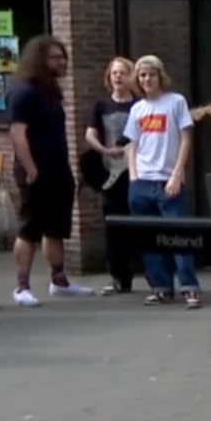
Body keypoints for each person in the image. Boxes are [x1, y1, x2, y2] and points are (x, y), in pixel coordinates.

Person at [8, 35, 92, 305]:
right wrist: (31, 169)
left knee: (55, 227)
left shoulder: (50, 91)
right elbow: (18, 134)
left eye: (62, 56)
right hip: (35, 170)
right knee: (29, 228)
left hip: (58, 168)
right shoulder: (24, 91)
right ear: (39, 60)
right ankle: (21, 287)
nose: (62, 61)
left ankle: (59, 281)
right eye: (55, 57)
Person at [122, 55, 202, 307]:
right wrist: (134, 177)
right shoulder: (137, 109)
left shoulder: (175, 102)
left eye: (151, 74)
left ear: (160, 76)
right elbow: (132, 145)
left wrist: (177, 174)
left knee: (178, 236)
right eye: (142, 75)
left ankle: (189, 286)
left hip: (168, 179)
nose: (147, 79)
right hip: (142, 181)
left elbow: (186, 138)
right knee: (149, 239)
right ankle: (160, 287)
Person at [81, 57, 140, 294]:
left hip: (135, 170)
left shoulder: (139, 106)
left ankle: (142, 269)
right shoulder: (101, 106)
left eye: (123, 72)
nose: (118, 76)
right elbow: (90, 135)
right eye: (114, 73)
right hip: (110, 172)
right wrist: (104, 149)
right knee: (113, 224)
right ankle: (118, 275)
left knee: (136, 222)